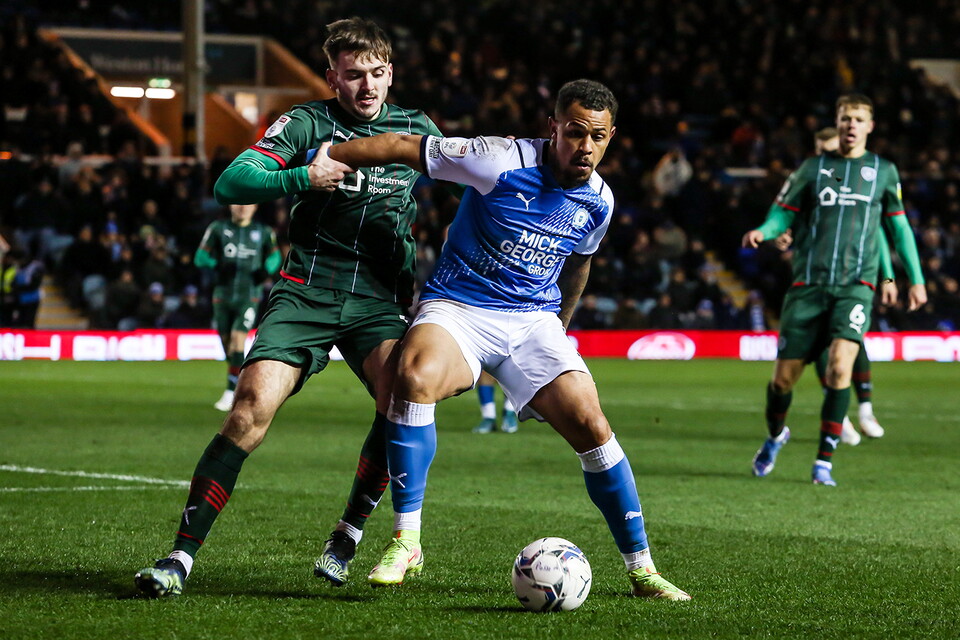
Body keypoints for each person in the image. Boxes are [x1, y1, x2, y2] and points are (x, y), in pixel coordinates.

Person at [324, 79, 690, 599]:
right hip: (459, 308)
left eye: (599, 137)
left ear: (611, 138)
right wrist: (329, 154)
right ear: (553, 127)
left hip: (533, 320)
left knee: (593, 424)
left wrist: (557, 335)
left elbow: (578, 263)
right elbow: (406, 147)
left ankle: (642, 568)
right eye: (575, 132)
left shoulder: (600, 201)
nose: (585, 147)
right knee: (412, 376)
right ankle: (408, 539)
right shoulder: (497, 159)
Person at [134, 17, 443, 597]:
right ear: (333, 78)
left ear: (391, 72)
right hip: (307, 288)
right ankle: (179, 559)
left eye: (377, 73)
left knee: (401, 399)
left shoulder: (416, 128)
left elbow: (468, 184)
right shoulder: (306, 123)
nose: (368, 86)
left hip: (378, 296)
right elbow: (232, 181)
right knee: (249, 410)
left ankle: (348, 532)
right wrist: (303, 174)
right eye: (353, 76)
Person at [742, 94, 926, 487]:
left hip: (855, 287)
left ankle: (824, 460)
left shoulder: (884, 172)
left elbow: (897, 229)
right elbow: (781, 214)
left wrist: (914, 279)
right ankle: (776, 435)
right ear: (838, 123)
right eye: (845, 118)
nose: (851, 125)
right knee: (782, 381)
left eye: (859, 119)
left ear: (870, 126)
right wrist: (765, 230)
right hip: (808, 286)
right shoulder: (812, 169)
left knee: (840, 366)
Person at [773, 127, 895, 446]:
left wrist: (888, 276)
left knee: (848, 346)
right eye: (819, 148)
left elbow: (876, 232)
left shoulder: (851, 180)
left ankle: (863, 410)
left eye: (828, 147)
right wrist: (784, 235)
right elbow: (789, 220)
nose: (825, 154)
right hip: (813, 280)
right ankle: (843, 416)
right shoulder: (808, 178)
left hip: (851, 280)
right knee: (820, 355)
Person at [193, 203, 280, 411]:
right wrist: (217, 265)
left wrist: (266, 270)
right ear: (230, 206)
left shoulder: (263, 232)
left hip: (249, 296)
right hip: (222, 296)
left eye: (247, 204)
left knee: (237, 339)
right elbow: (200, 257)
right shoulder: (217, 229)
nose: (242, 208)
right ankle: (238, 379)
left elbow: (275, 256)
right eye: (238, 203)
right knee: (228, 347)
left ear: (255, 207)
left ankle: (232, 392)